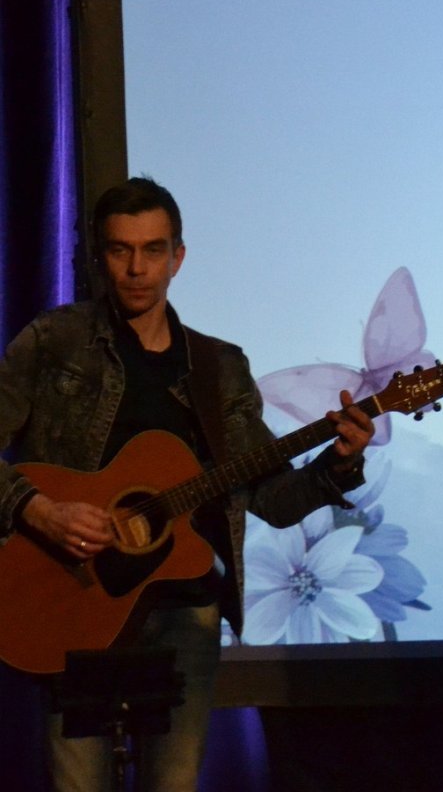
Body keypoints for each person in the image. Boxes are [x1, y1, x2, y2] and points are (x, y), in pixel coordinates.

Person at [0, 177, 373, 792]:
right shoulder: (53, 341)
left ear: (178, 257)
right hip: (75, 595)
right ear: (99, 256)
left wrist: (338, 464)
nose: (137, 269)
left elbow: (274, 500)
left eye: (153, 250)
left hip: (184, 612)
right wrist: (39, 511)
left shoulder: (217, 367)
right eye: (120, 250)